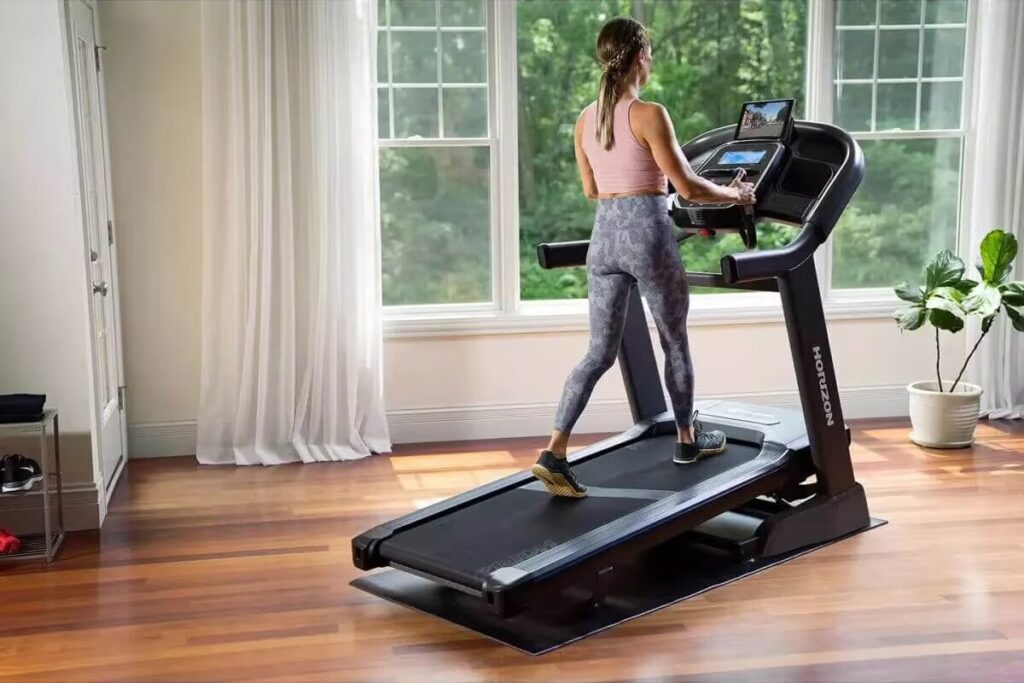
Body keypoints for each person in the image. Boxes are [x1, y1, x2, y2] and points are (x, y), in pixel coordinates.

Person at [531, 17, 756, 499]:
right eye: (649, 53)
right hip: (648, 234)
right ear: (639, 58)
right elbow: (690, 186)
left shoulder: (585, 119)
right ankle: (687, 441)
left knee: (598, 352)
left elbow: (593, 188)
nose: (651, 61)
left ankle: (555, 450)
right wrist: (737, 196)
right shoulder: (650, 113)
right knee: (674, 340)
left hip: (605, 238)